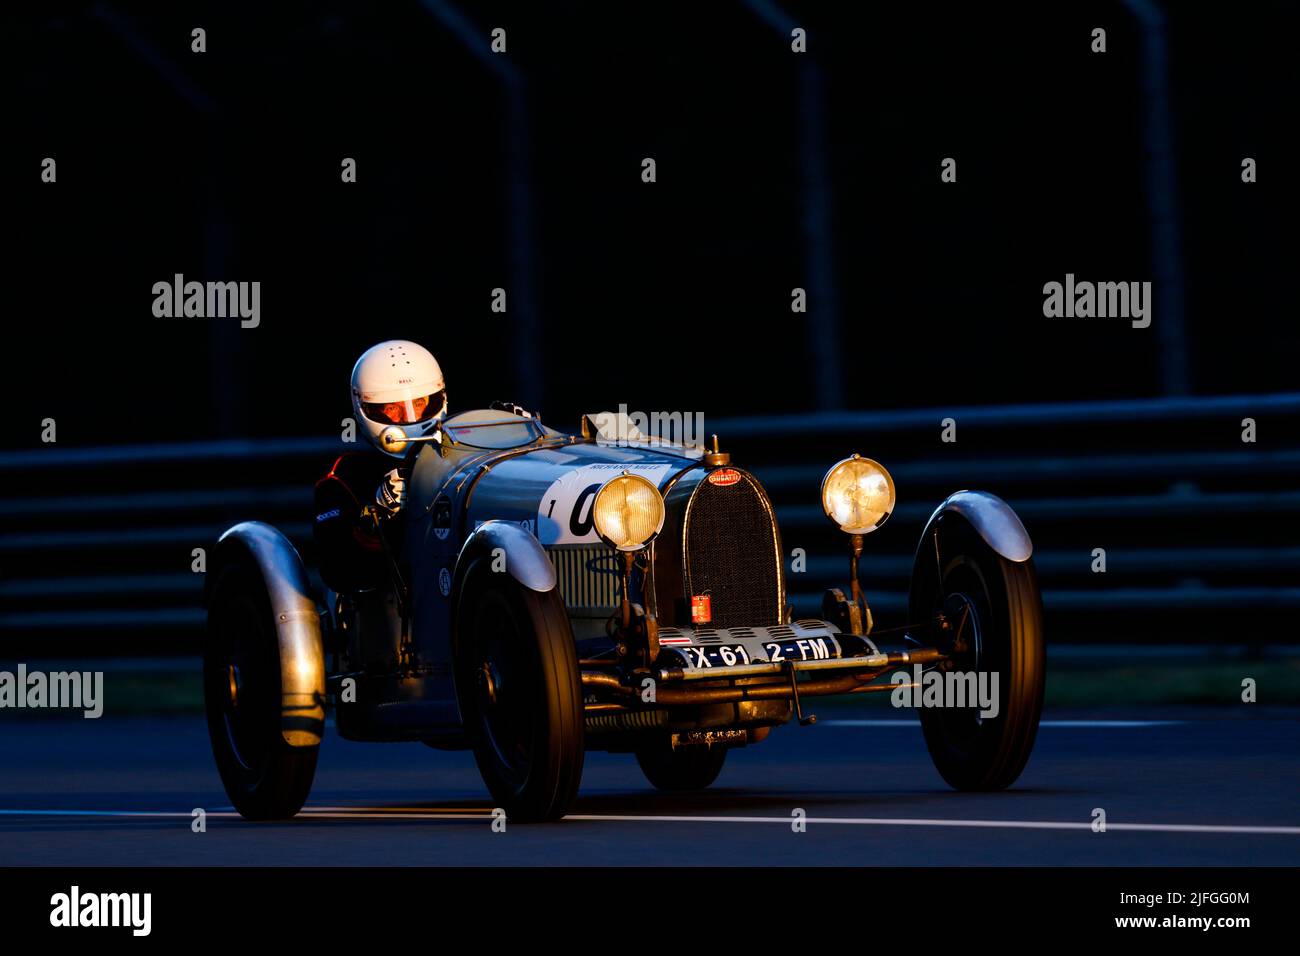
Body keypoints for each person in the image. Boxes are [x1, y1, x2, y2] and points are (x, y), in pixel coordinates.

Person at [312, 339, 532, 593]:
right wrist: (377, 521)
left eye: (420, 403)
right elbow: (339, 573)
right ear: (364, 408)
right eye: (393, 408)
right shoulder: (343, 479)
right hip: (402, 612)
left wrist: (514, 438)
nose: (411, 417)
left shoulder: (467, 448)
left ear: (441, 397)